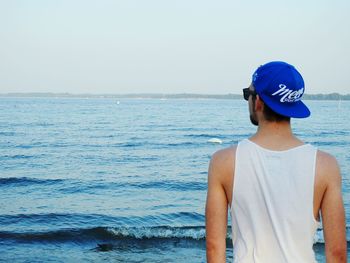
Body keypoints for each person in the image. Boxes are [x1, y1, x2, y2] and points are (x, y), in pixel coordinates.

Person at [205, 61, 347, 263]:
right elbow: (337, 254)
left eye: (248, 94)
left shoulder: (224, 162)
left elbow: (214, 248)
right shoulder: (325, 165)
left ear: (258, 101)